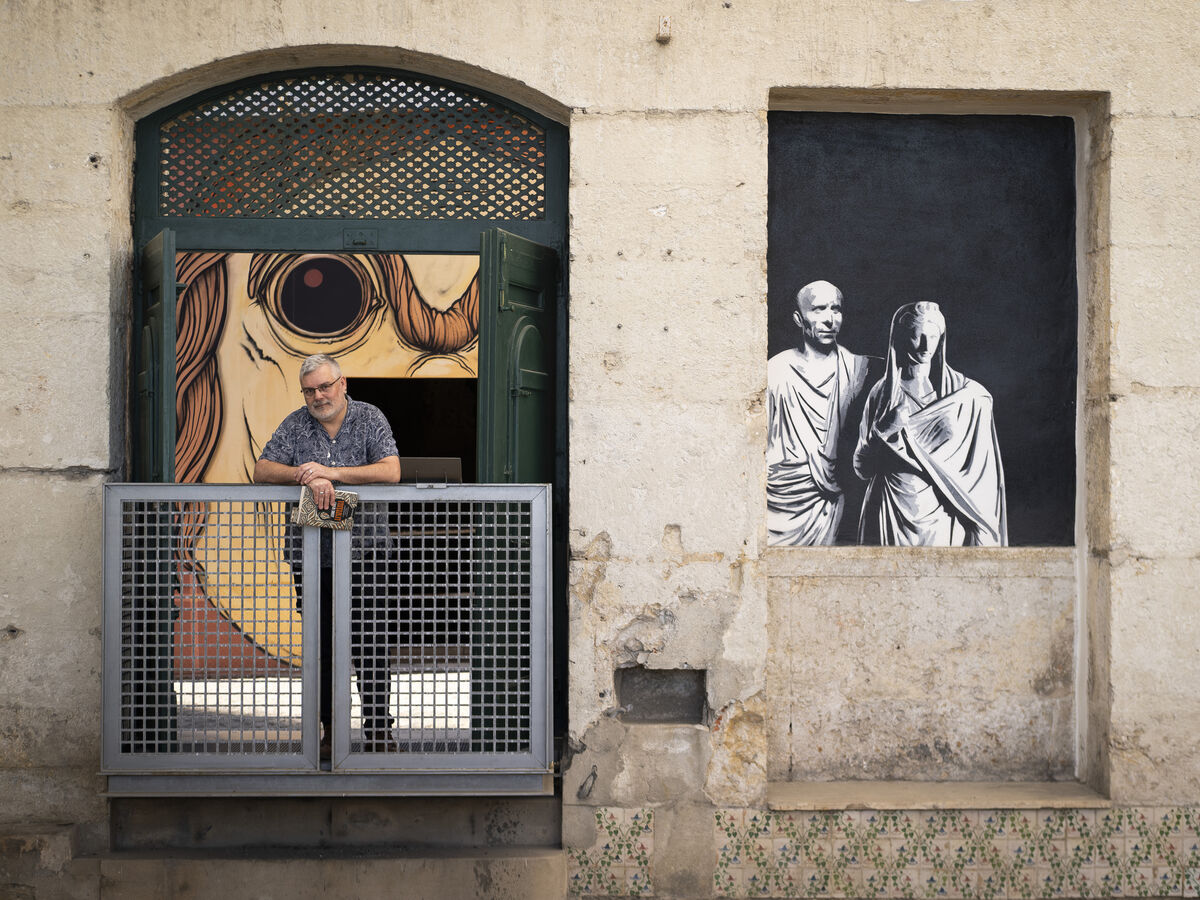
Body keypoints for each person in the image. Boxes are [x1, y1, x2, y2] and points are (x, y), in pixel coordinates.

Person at [253, 353, 403, 753]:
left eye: (324, 386)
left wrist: (331, 473)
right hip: (311, 555)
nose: (318, 396)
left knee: (370, 642)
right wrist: (303, 474)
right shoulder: (295, 424)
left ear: (342, 383)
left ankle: (379, 730)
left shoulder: (370, 417)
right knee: (321, 645)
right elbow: (262, 470)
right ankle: (329, 730)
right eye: (309, 390)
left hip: (367, 553)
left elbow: (391, 470)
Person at [853, 302, 1007, 546]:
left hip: (945, 511)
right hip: (891, 508)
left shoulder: (965, 394)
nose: (926, 346)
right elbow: (861, 467)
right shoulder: (882, 393)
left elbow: (980, 470)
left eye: (933, 336)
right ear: (901, 338)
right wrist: (883, 430)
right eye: (918, 336)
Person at [767, 280, 879, 545]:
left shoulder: (857, 369)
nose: (830, 320)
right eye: (818, 310)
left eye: (836, 309)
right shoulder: (776, 370)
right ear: (798, 318)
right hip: (779, 498)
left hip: (831, 499)